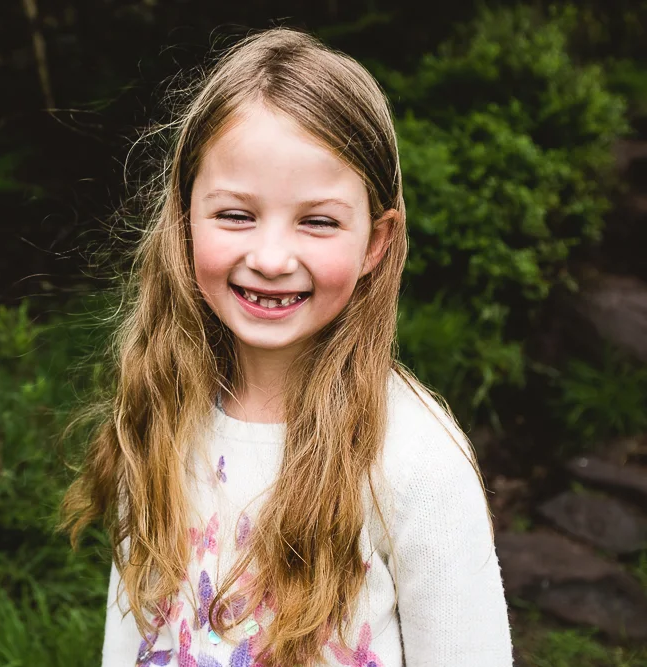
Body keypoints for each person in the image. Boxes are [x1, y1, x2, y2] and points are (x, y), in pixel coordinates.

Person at [58, 26, 513, 667]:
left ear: (376, 243)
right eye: (236, 215)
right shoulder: (161, 411)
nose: (271, 258)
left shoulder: (416, 466)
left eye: (318, 221)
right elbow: (129, 633)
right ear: (184, 218)